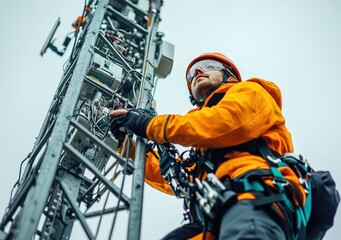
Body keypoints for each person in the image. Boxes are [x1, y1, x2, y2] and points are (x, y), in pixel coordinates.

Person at [110, 52, 307, 240]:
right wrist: (128, 147)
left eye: (208, 67)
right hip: (216, 212)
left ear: (229, 76)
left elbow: (221, 124)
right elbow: (179, 179)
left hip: (254, 200)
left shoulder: (251, 92)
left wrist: (149, 124)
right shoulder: (203, 144)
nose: (197, 73)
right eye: (191, 74)